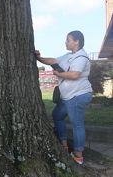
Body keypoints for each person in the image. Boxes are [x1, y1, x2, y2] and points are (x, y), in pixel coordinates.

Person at [35, 30, 93, 165]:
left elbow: (74, 75)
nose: (65, 42)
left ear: (76, 41)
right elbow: (53, 60)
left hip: (78, 95)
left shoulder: (81, 57)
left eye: (68, 40)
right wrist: (38, 58)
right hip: (68, 96)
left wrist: (58, 74)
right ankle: (64, 145)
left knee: (77, 124)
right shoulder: (68, 56)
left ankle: (78, 155)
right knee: (57, 115)